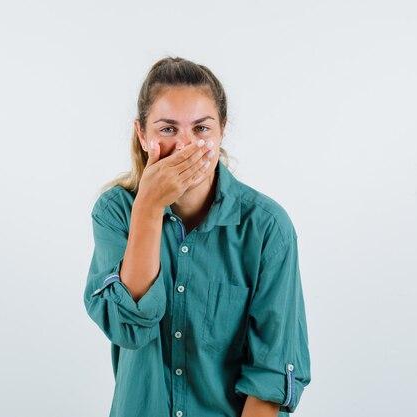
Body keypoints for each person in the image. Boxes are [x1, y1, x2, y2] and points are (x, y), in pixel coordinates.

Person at [83, 56, 311, 417]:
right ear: (142, 134)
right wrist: (148, 207)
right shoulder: (115, 213)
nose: (186, 146)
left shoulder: (267, 228)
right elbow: (129, 328)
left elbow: (271, 376)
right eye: (168, 129)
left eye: (201, 129)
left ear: (222, 131)